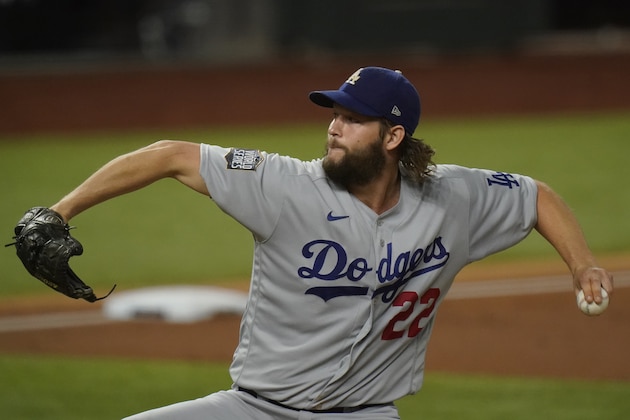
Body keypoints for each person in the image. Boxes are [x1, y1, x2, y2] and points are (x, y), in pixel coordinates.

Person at [47, 66, 613, 419]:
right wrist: (58, 212)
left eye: (353, 118)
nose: (334, 127)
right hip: (252, 410)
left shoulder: (451, 199)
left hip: (364, 414)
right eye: (335, 114)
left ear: (393, 136)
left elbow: (534, 195)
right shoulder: (283, 185)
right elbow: (169, 154)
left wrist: (582, 265)